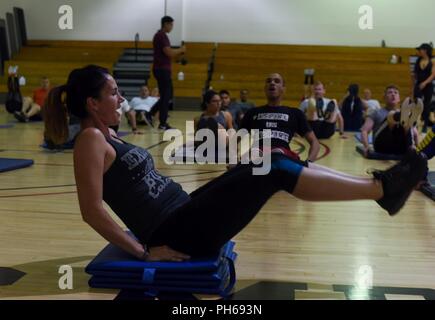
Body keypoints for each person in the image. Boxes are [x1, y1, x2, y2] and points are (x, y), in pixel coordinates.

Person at [43, 65, 427, 262]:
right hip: (176, 231)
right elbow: (91, 211)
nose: (121, 98)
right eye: (113, 93)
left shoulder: (107, 135)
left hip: (185, 212)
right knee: (273, 170)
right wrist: (145, 251)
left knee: (274, 155)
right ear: (92, 103)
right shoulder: (91, 140)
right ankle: (382, 190)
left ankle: (379, 184)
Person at [240, 73, 319, 162]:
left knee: (278, 152)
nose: (272, 83)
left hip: (283, 155)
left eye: (277, 81)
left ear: (283, 89)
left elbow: (314, 142)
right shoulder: (252, 113)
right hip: (257, 156)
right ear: (265, 88)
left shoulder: (295, 113)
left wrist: (309, 163)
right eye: (269, 81)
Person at [360, 85, 423, 156]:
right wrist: (366, 147)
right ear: (384, 97)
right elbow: (364, 130)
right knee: (392, 114)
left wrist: (418, 150)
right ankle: (399, 116)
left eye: (395, 93)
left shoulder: (405, 115)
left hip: (400, 147)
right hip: (382, 145)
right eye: (390, 92)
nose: (393, 94)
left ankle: (410, 146)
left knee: (407, 123)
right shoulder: (376, 112)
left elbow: (415, 133)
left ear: (399, 98)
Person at [150, 16, 186, 131]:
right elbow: (169, 52)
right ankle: (162, 122)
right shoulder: (161, 36)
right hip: (162, 69)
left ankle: (150, 114)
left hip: (161, 69)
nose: (172, 27)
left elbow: (167, 54)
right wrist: (181, 50)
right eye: (171, 25)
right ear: (165, 24)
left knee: (167, 95)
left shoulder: (160, 36)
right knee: (166, 96)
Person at [412, 43, 435, 130]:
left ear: (425, 50)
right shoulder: (418, 60)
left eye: (420, 50)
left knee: (427, 104)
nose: (418, 51)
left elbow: (433, 75)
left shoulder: (432, 60)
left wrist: (425, 83)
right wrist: (414, 86)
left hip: (428, 85)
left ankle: (425, 124)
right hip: (418, 84)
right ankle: (414, 122)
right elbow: (414, 74)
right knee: (416, 103)